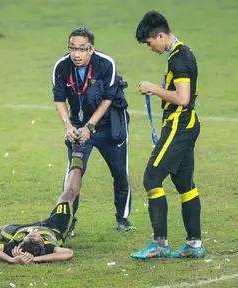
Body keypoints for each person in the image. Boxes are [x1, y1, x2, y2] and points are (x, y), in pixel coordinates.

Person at [130, 11, 206, 259]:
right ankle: (194, 245)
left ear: (160, 35)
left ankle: (160, 245)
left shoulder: (179, 59)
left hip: (179, 125)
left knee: (151, 178)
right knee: (185, 185)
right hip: (186, 125)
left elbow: (183, 99)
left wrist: (154, 89)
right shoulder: (181, 53)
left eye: (150, 42)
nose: (150, 47)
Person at [52, 27, 134, 235]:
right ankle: (67, 222)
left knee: (120, 173)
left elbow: (107, 99)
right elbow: (59, 99)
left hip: (109, 125)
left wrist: (91, 126)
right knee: (74, 173)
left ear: (92, 49)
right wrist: (68, 127)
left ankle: (122, 219)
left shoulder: (106, 64)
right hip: (77, 126)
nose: (76, 54)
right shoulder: (62, 67)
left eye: (82, 49)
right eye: (72, 48)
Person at [0, 143, 86, 264]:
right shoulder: (48, 248)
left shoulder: (15, 247)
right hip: (54, 227)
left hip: (19, 231)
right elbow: (68, 253)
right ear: (43, 243)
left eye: (30, 237)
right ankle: (78, 152)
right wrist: (36, 259)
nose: (34, 232)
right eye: (36, 237)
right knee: (69, 194)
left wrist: (10, 259)